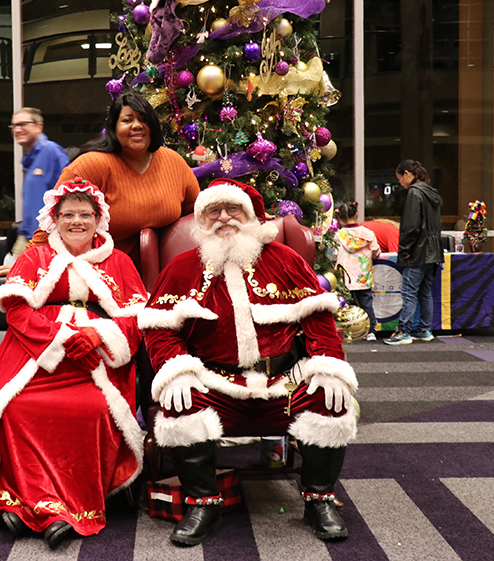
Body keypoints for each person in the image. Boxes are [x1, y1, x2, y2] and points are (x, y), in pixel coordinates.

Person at [139, 179, 358, 546]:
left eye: (233, 209)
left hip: (285, 381)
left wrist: (328, 365)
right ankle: (203, 503)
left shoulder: (285, 260)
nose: (224, 217)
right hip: (215, 381)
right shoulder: (181, 268)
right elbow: (159, 329)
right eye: (214, 211)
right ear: (202, 220)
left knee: (329, 398)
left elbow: (319, 320)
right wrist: (176, 369)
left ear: (251, 215)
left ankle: (319, 499)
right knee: (182, 404)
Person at [0, 179, 146, 550]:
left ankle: (51, 508)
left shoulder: (119, 261)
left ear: (98, 219)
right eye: (68, 214)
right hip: (33, 355)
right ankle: (38, 506)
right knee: (15, 407)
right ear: (55, 218)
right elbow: (18, 313)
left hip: (96, 361)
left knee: (94, 409)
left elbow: (136, 319)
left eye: (85, 214)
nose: (76, 221)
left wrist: (99, 335)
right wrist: (61, 339)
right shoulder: (33, 257)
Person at [0, 91, 199, 275]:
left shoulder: (173, 162)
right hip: (100, 277)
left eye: (143, 119)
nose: (137, 125)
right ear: (114, 128)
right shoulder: (92, 164)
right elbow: (53, 217)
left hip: (164, 278)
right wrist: (26, 262)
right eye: (127, 120)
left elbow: (197, 215)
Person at [384, 159, 443, 345]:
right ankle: (425, 330)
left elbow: (410, 227)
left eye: (400, 178)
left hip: (418, 250)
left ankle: (404, 332)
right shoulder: (431, 193)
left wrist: (404, 250)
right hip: (433, 250)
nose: (400, 183)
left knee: (409, 292)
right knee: (425, 292)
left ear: (407, 174)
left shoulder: (413, 193)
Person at [10, 107, 69, 257]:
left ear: (39, 126)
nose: (18, 130)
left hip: (48, 241)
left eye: (23, 124)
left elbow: (69, 193)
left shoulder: (51, 152)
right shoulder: (30, 159)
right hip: (28, 237)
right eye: (14, 126)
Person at [334, 201, 381, 340]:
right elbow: (376, 252)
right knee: (367, 304)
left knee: (347, 305)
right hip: (363, 276)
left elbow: (332, 255)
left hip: (344, 277)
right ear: (357, 215)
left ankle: (350, 332)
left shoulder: (337, 236)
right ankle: (371, 331)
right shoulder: (368, 234)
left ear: (340, 219)